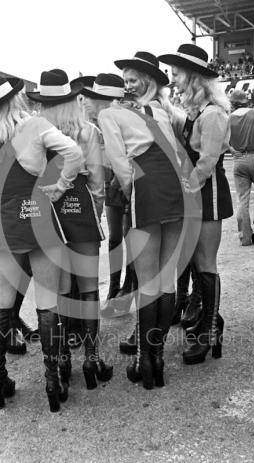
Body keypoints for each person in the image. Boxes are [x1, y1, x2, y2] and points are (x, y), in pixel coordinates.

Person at [0, 76, 83, 412]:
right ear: (14, 102)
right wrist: (61, 185)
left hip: (4, 226)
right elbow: (74, 153)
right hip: (39, 220)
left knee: (2, 304)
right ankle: (52, 380)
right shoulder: (35, 126)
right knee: (48, 303)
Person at [99, 51, 185, 389]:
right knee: (165, 280)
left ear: (146, 82)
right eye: (126, 80)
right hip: (174, 186)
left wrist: (131, 191)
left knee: (149, 280)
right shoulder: (163, 112)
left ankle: (145, 362)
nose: (128, 84)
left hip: (146, 186)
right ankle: (158, 359)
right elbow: (177, 154)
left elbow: (120, 164)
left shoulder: (110, 113)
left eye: (133, 79)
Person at [27, 69, 113, 390]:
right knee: (88, 287)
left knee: (58, 288)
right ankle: (92, 358)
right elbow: (97, 183)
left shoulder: (36, 131)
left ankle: (63, 359)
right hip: (81, 207)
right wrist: (96, 217)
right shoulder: (87, 131)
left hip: (48, 207)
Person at [159, 43, 233, 364]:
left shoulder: (214, 113)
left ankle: (210, 332)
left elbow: (207, 163)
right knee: (196, 260)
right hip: (196, 192)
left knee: (205, 263)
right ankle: (208, 321)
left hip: (208, 192)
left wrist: (186, 188)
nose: (173, 79)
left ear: (193, 76)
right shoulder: (196, 111)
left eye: (177, 73)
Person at [80, 73, 137, 318]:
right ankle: (114, 290)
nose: (86, 102)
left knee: (131, 237)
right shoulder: (99, 121)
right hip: (113, 183)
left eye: (91, 97)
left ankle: (127, 292)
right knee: (115, 238)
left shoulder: (125, 116)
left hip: (133, 181)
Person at [228, 89, 254, 245]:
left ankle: (245, 237)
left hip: (239, 160)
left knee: (242, 199)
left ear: (232, 103)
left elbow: (220, 138)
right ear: (246, 100)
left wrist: (232, 150)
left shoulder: (228, 118)